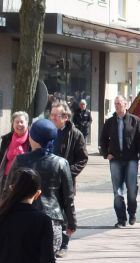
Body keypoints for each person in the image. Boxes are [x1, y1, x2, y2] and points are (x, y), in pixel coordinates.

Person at [6, 119, 76, 256]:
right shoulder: (61, 163)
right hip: (52, 220)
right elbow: (68, 196)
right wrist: (72, 223)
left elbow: (7, 190)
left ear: (33, 138)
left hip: (22, 219)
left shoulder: (20, 160)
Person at [100, 95, 140, 228]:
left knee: (132, 189)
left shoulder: (135, 121)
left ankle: (132, 213)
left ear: (126, 105)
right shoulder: (110, 122)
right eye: (115, 104)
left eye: (119, 104)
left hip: (131, 159)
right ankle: (121, 219)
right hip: (115, 160)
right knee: (117, 191)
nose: (117, 106)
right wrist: (106, 153)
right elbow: (103, 139)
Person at [48, 100, 88, 256]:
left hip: (66, 181)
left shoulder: (75, 134)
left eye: (55, 115)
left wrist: (67, 173)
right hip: (48, 181)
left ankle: (64, 245)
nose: (52, 118)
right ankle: (51, 242)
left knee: (65, 213)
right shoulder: (48, 132)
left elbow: (83, 159)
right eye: (50, 115)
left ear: (65, 116)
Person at [0, 167, 56, 263]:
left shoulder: (3, 214)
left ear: (11, 188)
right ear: (37, 194)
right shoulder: (42, 220)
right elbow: (48, 258)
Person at [0, 111, 31, 191]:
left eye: (22, 122)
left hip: (23, 180)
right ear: (12, 124)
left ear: (27, 123)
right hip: (6, 178)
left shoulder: (32, 139)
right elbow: (1, 158)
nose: (19, 124)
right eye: (16, 122)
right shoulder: (7, 139)